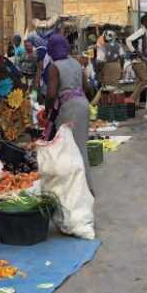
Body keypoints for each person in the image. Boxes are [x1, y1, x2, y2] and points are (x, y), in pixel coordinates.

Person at [45, 34, 93, 187]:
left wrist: (47, 110)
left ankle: (82, 187)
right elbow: (87, 87)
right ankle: (80, 184)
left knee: (70, 148)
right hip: (82, 105)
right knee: (80, 145)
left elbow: (51, 94)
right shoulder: (75, 62)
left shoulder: (54, 66)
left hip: (69, 108)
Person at [126, 14, 147, 106]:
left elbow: (142, 47)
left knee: (139, 81)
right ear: (144, 22)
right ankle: (131, 100)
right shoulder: (141, 31)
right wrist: (136, 52)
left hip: (140, 60)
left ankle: (135, 104)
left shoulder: (145, 32)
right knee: (146, 81)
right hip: (137, 60)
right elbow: (128, 40)